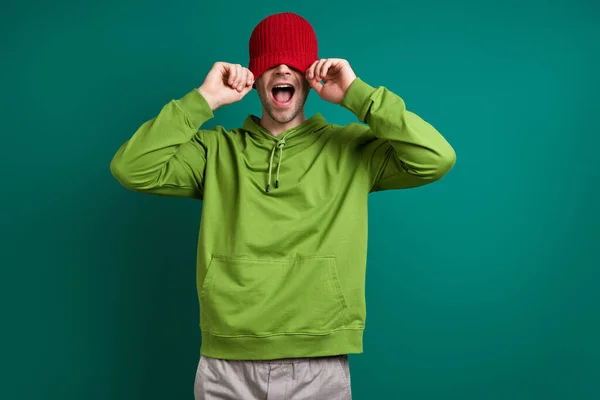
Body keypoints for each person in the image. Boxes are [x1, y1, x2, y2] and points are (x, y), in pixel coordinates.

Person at [110, 11, 456, 400]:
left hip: (319, 358)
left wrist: (357, 95)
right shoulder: (215, 151)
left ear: (310, 75)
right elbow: (131, 167)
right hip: (228, 358)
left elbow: (436, 158)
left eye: (293, 62)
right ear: (254, 77)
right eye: (270, 63)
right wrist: (203, 100)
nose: (282, 70)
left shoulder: (353, 149)